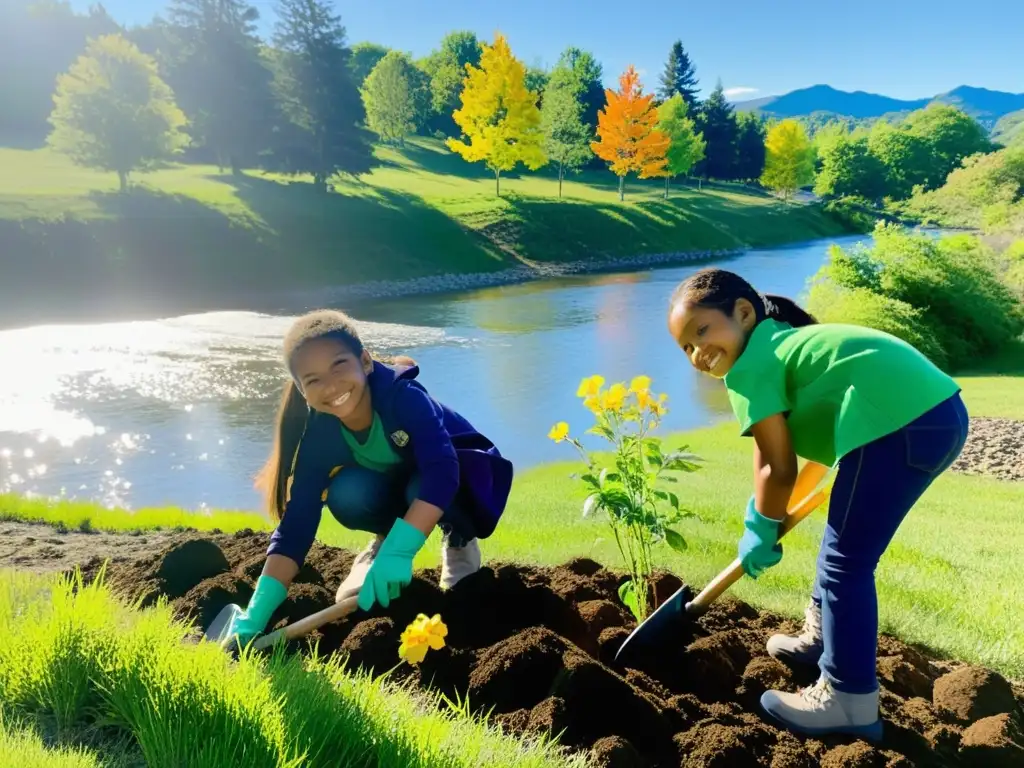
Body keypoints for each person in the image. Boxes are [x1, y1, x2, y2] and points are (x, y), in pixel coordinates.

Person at [666, 268, 968, 740]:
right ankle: (823, 637)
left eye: (702, 331)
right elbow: (795, 456)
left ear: (743, 313)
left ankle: (848, 700)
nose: (698, 353)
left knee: (845, 562)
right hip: (937, 415)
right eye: (686, 347)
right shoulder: (781, 343)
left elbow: (776, 465)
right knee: (841, 546)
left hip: (897, 422)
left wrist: (761, 527)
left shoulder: (750, 366)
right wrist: (763, 514)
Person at [223, 309, 513, 648]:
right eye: (313, 380)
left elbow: (442, 470)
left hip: (463, 476)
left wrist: (401, 552)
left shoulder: (403, 398)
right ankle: (381, 542)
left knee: (425, 484)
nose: (331, 386)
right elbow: (297, 523)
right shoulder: (320, 435)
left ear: (365, 361)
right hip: (401, 485)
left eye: (339, 365)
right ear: (302, 392)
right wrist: (256, 614)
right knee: (346, 493)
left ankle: (459, 538)